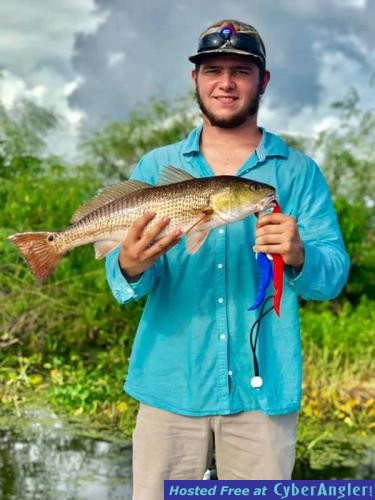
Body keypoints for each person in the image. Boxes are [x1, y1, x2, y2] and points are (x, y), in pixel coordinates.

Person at [105, 19, 349, 499]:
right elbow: (128, 278)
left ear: (264, 81)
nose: (226, 82)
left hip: (265, 394)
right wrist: (129, 265)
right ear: (194, 79)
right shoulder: (156, 168)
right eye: (213, 69)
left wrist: (301, 255)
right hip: (168, 384)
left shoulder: (298, 172)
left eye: (241, 71)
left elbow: (333, 277)